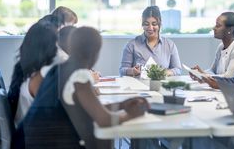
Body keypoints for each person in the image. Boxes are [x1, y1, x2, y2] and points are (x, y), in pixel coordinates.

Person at [13, 27, 149, 148]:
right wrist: (133, 115)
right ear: (94, 53)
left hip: (26, 140)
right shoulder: (79, 75)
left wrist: (122, 105)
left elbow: (89, 108)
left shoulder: (59, 69)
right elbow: (104, 120)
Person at [7, 22, 59, 125]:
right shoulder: (38, 79)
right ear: (49, 47)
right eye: (56, 43)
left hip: (26, 130)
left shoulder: (24, 69)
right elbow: (53, 114)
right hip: (33, 136)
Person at [119, 6, 182, 77]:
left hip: (163, 86)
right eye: (146, 24)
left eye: (154, 24)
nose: (150, 28)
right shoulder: (132, 45)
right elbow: (122, 70)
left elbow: (178, 69)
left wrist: (167, 72)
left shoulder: (169, 45)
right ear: (142, 25)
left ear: (159, 24)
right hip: (138, 86)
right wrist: (131, 71)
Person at [191, 12, 234, 77]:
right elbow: (213, 71)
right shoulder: (221, 46)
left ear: (230, 29)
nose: (214, 28)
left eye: (218, 25)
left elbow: (229, 77)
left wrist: (204, 76)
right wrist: (200, 74)